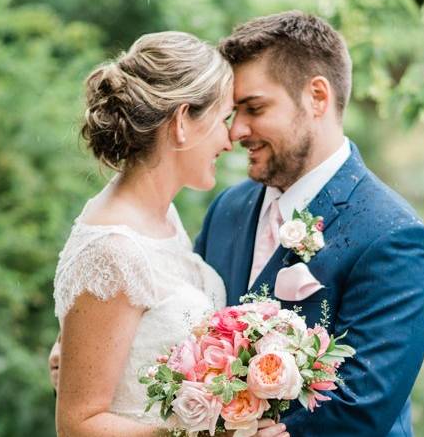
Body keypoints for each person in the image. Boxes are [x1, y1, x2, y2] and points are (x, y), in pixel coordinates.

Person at [194, 11, 424, 436]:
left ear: (317, 98)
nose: (237, 132)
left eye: (254, 108)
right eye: (234, 113)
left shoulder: (394, 237)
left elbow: (363, 407)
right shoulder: (227, 209)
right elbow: (186, 320)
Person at [52, 31, 293, 436]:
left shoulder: (164, 218)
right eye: (222, 120)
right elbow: (78, 424)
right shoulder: (114, 248)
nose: (229, 139)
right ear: (182, 122)